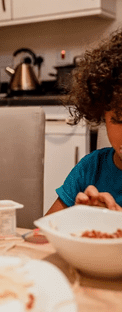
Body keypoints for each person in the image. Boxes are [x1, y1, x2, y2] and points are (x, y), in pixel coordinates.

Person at [46, 28, 122, 215]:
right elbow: (43, 234)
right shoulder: (90, 169)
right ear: (102, 113)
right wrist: (76, 219)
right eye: (119, 120)